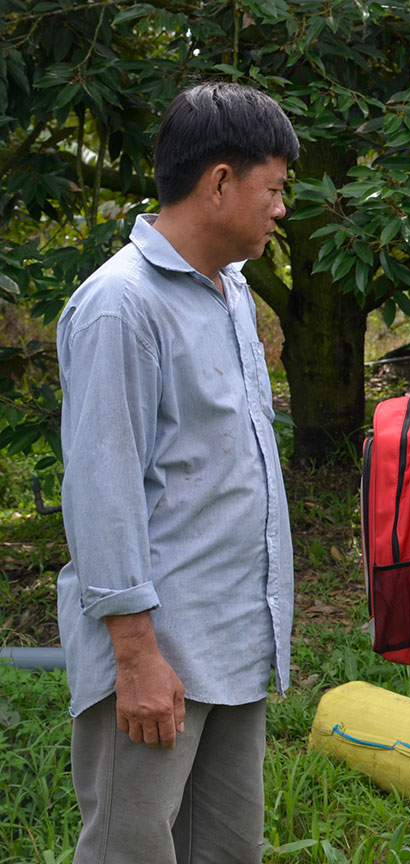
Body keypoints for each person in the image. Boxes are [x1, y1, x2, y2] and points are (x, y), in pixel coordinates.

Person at [55, 83, 298, 862]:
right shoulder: (120, 307)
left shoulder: (229, 291)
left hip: (231, 641)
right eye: (274, 188)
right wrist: (136, 656)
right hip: (158, 654)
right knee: (133, 850)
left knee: (228, 850)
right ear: (220, 182)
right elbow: (103, 491)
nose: (280, 208)